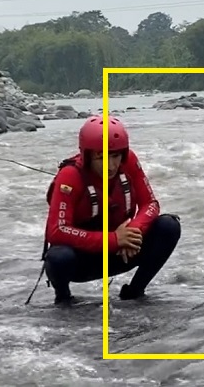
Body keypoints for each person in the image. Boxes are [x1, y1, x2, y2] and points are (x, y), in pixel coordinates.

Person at [42, 114, 181, 305]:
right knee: (58, 257)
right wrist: (114, 240)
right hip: (83, 260)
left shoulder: (129, 160)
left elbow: (150, 204)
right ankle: (64, 299)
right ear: (87, 155)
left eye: (115, 156)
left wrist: (132, 234)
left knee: (168, 226)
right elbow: (57, 231)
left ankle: (135, 291)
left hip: (123, 251)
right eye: (102, 157)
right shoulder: (70, 176)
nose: (111, 166)